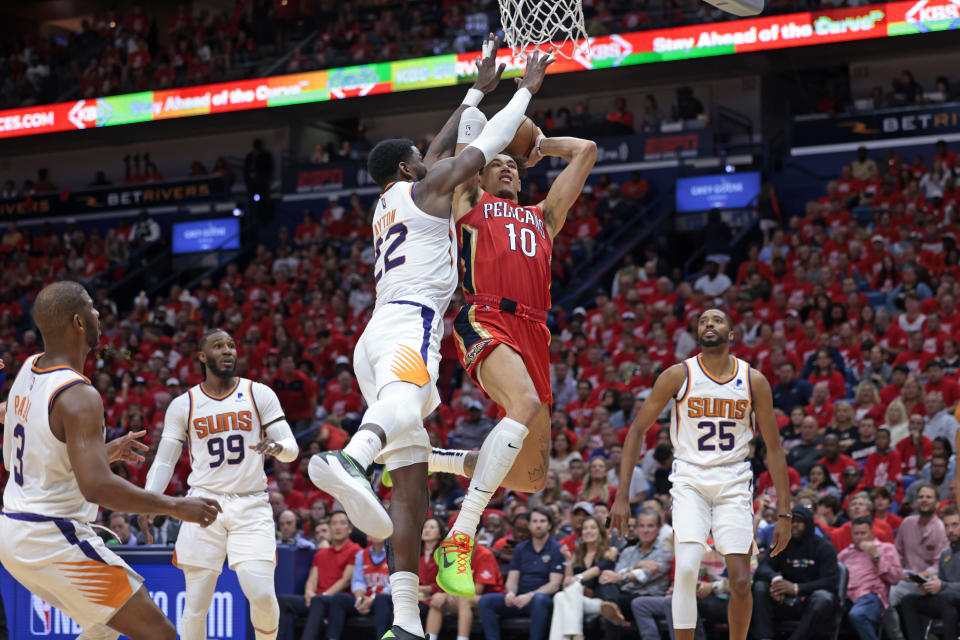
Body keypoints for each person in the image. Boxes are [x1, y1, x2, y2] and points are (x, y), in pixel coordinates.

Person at [307, 42, 554, 640]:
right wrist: (525, 90)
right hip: (409, 323)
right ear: (409, 169)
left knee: (411, 481)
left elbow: (440, 150)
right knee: (405, 409)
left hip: (375, 331)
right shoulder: (428, 187)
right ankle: (352, 458)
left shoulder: (396, 198)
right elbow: (481, 147)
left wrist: (475, 90)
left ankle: (406, 623)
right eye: (421, 157)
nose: (430, 156)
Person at [421, 57, 597, 598]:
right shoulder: (470, 200)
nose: (507, 169)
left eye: (513, 166)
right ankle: (460, 537)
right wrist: (505, 102)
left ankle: (437, 458)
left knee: (530, 479)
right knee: (520, 406)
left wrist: (539, 145)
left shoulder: (544, 216)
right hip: (485, 315)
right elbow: (456, 155)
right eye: (498, 163)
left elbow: (587, 151)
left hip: (535, 332)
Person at [0, 281, 220, 640]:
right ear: (78, 322)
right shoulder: (78, 396)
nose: (99, 312)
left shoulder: (28, 370)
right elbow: (97, 486)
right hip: (50, 536)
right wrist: (177, 506)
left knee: (102, 631)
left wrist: (100, 452)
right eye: (91, 306)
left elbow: (34, 449)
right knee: (160, 634)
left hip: (15, 529)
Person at [613, 309, 793, 640]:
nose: (709, 324)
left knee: (740, 580)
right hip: (690, 479)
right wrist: (621, 496)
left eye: (717, 320)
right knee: (685, 570)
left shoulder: (753, 381)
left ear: (732, 333)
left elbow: (775, 449)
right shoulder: (678, 375)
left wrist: (785, 511)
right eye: (703, 321)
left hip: (734, 479)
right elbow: (636, 430)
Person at [141, 327, 298, 640]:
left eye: (231, 346)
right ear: (202, 356)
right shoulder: (183, 404)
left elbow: (292, 449)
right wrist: (148, 499)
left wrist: (278, 448)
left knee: (263, 594)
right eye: (218, 346)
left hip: (250, 502)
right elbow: (164, 461)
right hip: (202, 503)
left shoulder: (259, 393)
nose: (227, 351)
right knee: (197, 602)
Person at [751, 506, 839, 640]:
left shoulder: (824, 547)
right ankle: (764, 637)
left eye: (799, 521)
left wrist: (797, 588)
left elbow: (831, 582)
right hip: (783, 598)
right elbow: (762, 568)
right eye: (792, 521)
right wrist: (776, 581)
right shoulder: (782, 544)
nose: (795, 525)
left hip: (809, 600)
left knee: (823, 597)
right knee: (760, 587)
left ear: (808, 524)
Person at [477, 507, 564, 640]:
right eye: (534, 521)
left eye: (542, 521)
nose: (538, 525)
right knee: (486, 601)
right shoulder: (520, 548)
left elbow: (554, 585)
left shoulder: (556, 548)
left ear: (549, 525)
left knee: (539, 600)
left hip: (543, 600)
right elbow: (512, 579)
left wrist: (530, 595)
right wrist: (511, 593)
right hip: (519, 599)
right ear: (529, 525)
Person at [277, 511, 362, 640]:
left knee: (318, 601)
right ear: (330, 528)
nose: (338, 527)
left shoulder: (356, 550)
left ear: (350, 529)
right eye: (334, 523)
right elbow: (312, 578)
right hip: (317, 599)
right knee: (282, 601)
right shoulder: (321, 553)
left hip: (337, 600)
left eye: (342, 523)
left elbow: (346, 580)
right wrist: (309, 593)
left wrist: (322, 596)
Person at [884, 483, 950, 640]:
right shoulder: (907, 523)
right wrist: (898, 569)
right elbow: (896, 551)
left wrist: (923, 575)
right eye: (921, 497)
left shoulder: (942, 529)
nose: (924, 500)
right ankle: (896, 637)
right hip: (906, 579)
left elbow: (939, 564)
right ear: (915, 502)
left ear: (937, 503)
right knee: (885, 599)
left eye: (928, 497)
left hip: (930, 581)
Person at [595, 509, 674, 640]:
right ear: (636, 529)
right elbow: (617, 576)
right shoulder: (628, 551)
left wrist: (621, 576)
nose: (645, 530)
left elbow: (644, 575)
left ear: (659, 529)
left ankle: (613, 607)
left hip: (647, 598)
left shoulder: (665, 552)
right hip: (623, 596)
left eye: (650, 526)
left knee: (611, 599)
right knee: (607, 584)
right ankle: (613, 608)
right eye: (641, 526)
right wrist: (636, 566)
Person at [550, 515, 621, 640]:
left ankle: (577, 635)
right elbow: (568, 581)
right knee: (559, 596)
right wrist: (567, 560)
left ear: (600, 531)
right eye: (585, 528)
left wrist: (577, 578)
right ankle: (570, 635)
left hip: (602, 602)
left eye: (593, 528)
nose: (588, 531)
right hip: (579, 600)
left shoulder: (610, 550)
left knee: (572, 587)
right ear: (581, 533)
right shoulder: (577, 553)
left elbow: (597, 570)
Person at [899, 505, 960, 640]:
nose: (951, 530)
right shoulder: (945, 555)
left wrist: (942, 586)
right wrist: (929, 586)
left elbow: (945, 585)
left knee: (946, 598)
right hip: (948, 600)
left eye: (955, 525)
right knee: (909, 600)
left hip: (953, 599)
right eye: (947, 526)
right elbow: (943, 582)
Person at [837, 517, 903, 640]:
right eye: (856, 534)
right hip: (846, 596)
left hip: (871, 596)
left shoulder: (886, 548)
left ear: (872, 534)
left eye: (863, 533)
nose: (860, 537)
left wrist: (876, 556)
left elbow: (895, 578)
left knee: (857, 615)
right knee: (822, 610)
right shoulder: (844, 554)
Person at [327, 535, 392, 639]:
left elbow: (393, 584)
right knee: (339, 598)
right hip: (365, 599)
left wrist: (372, 599)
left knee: (381, 599)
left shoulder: (394, 554)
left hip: (384, 599)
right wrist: (359, 600)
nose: (376, 532)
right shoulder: (361, 554)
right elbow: (358, 581)